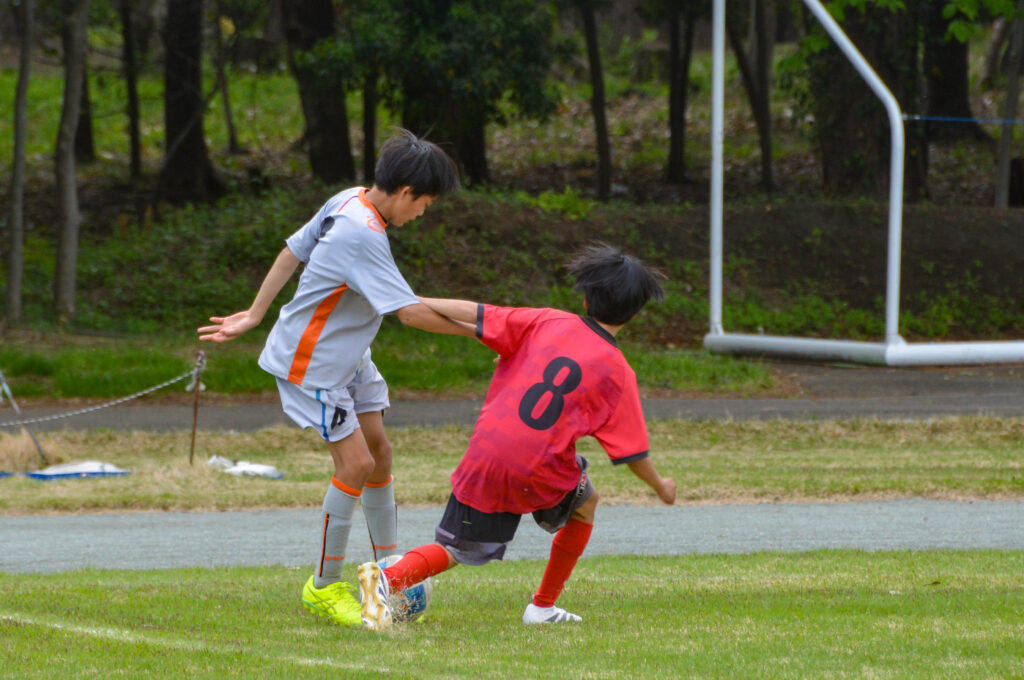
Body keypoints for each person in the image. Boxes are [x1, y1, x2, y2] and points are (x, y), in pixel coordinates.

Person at [197, 129, 475, 627]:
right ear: (407, 192)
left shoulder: (350, 198)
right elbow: (409, 313)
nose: (423, 214)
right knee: (356, 463)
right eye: (426, 204)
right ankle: (324, 587)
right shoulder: (361, 234)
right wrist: (487, 333)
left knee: (380, 454)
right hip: (314, 364)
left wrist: (257, 313)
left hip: (349, 356)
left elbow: (292, 250)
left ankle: (390, 574)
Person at [356, 244, 677, 631]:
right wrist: (660, 486)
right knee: (585, 504)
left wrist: (411, 300)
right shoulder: (618, 371)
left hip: (485, 458)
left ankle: (389, 580)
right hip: (541, 469)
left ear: (585, 298)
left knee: (457, 548)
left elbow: (474, 313)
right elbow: (632, 453)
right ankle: (534, 606)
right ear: (637, 313)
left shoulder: (545, 321)